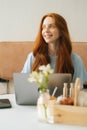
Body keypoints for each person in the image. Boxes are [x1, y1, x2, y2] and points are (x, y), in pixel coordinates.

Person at [21, 13, 87, 88]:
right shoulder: (33, 57)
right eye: (43, 27)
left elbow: (77, 91)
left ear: (62, 31)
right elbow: (24, 86)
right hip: (38, 100)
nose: (46, 30)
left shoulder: (76, 60)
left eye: (51, 26)